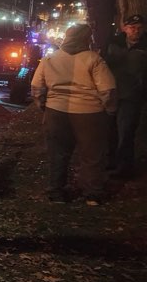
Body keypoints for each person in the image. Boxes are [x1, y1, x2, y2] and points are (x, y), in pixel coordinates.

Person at [31, 23, 117, 205]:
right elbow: (108, 90)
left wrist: (43, 105)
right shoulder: (94, 59)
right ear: (86, 39)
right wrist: (109, 110)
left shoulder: (50, 59)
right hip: (89, 114)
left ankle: (56, 192)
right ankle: (92, 194)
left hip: (56, 111)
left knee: (58, 153)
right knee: (91, 154)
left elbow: (36, 86)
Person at [104, 14, 147, 178]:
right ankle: (110, 161)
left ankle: (124, 168)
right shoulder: (114, 43)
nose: (135, 31)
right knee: (110, 130)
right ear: (125, 28)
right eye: (132, 27)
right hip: (112, 93)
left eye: (139, 28)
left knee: (126, 132)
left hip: (132, 96)